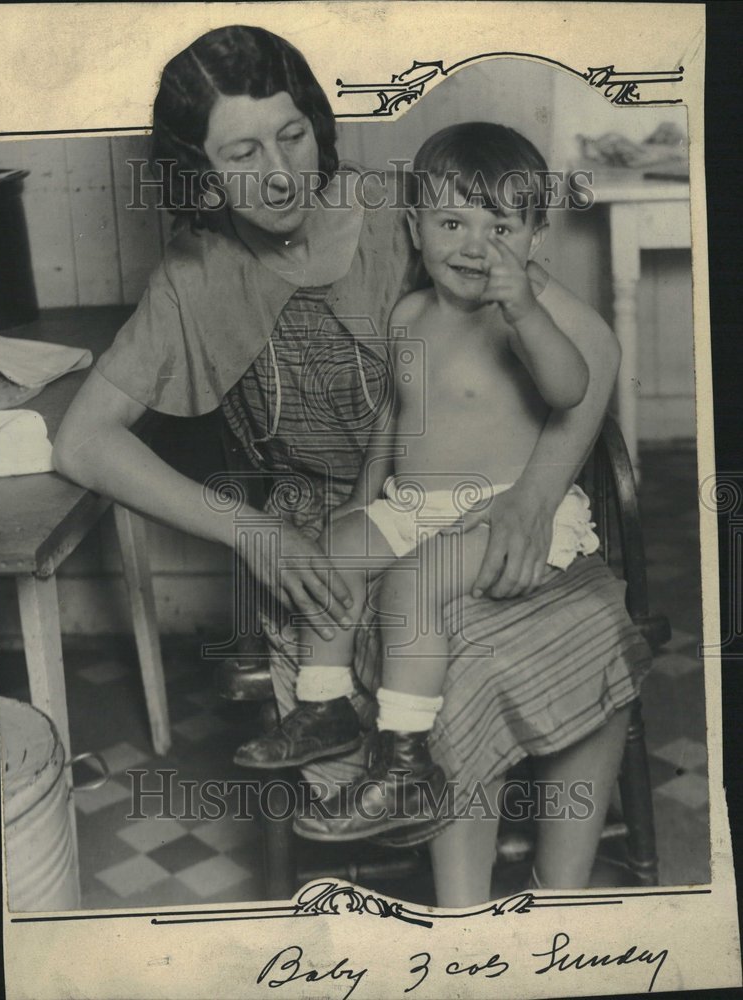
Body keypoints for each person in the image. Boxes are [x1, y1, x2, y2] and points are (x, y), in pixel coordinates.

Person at [53, 25, 650, 907]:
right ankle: (458, 903)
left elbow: (578, 344)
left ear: (318, 126)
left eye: (292, 136)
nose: (281, 174)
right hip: (357, 527)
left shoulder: (406, 210)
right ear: (199, 171)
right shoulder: (193, 275)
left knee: (480, 647)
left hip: (508, 501)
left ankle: (519, 907)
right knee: (410, 626)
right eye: (242, 153)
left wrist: (533, 496)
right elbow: (81, 441)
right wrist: (252, 532)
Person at [234, 122, 642, 859]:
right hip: (414, 507)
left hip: (502, 510)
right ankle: (324, 706)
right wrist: (363, 498)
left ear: (535, 239)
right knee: (333, 551)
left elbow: (570, 387)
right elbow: (398, 411)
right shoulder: (408, 315)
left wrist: (524, 312)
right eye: (451, 222)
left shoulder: (526, 322)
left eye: (501, 227)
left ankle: (404, 761)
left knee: (410, 589)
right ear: (414, 227)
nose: (473, 246)